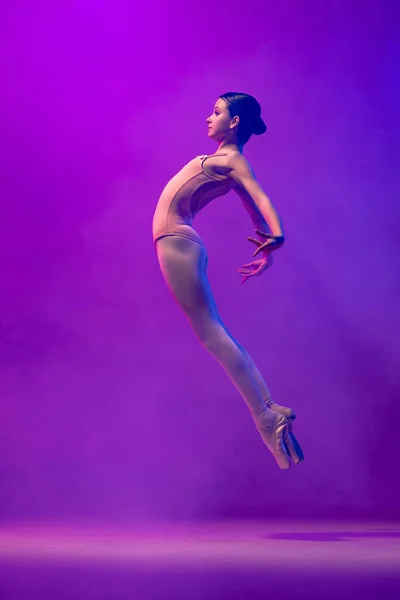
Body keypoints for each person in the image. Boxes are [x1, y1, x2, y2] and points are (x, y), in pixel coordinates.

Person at [152, 92, 303, 470]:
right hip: (177, 241)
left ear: (234, 122)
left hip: (178, 242)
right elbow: (253, 210)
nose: (209, 117)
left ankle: (267, 414)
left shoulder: (234, 160)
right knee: (212, 334)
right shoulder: (225, 161)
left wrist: (278, 234)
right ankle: (267, 412)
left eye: (217, 112)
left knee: (212, 335)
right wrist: (265, 245)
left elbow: (261, 197)